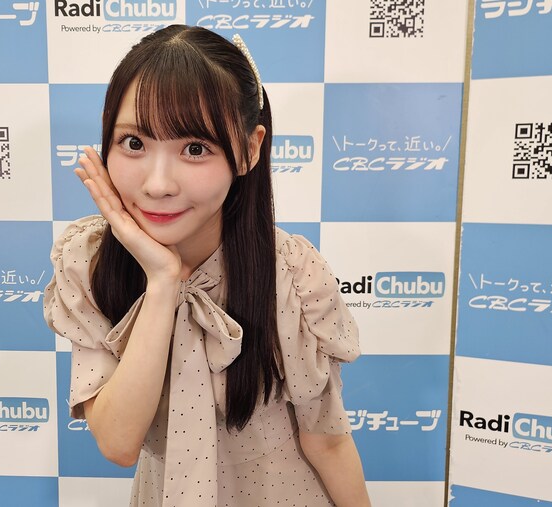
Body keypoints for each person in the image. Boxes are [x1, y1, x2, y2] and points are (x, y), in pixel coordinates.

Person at [43, 24, 371, 507]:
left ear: (249, 149)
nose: (158, 184)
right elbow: (117, 442)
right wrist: (162, 281)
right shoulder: (88, 262)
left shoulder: (292, 274)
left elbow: (327, 442)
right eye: (134, 143)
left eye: (194, 149)